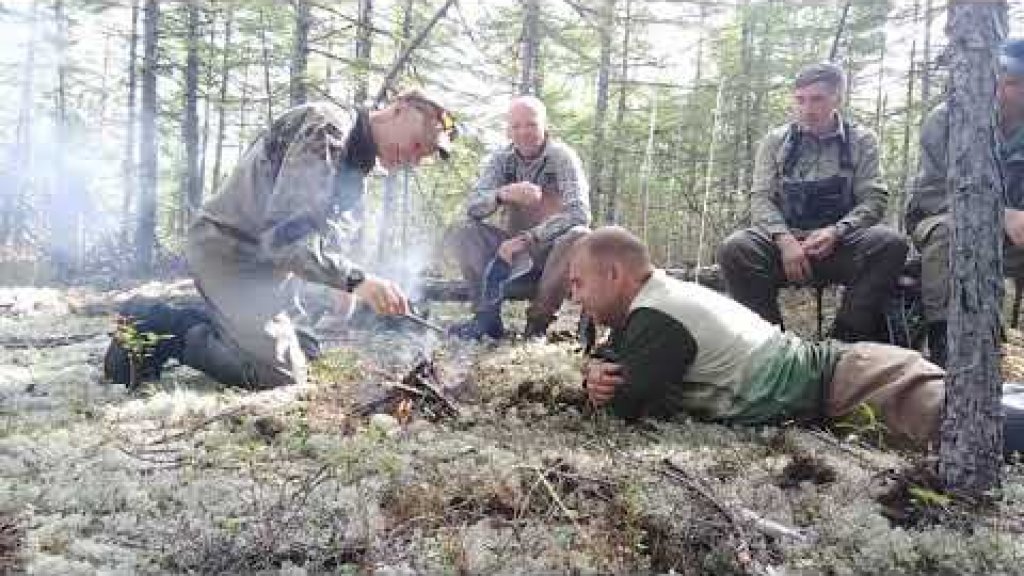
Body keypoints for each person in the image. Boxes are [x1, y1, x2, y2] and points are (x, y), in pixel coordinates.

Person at [105, 90, 458, 389]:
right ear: (399, 109)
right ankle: (160, 324)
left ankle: (225, 322)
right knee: (281, 375)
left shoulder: (358, 168)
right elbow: (285, 242)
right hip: (229, 251)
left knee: (308, 348)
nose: (412, 159)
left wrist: (345, 288)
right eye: (416, 144)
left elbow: (325, 245)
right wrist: (356, 281)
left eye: (421, 157)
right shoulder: (328, 127)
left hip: (264, 271)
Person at [572, 226, 1023, 455]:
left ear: (614, 274)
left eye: (578, 284)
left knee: (976, 424)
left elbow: (625, 404)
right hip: (841, 376)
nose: (576, 299)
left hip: (845, 385)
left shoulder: (656, 314)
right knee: (980, 406)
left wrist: (602, 383)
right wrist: (599, 366)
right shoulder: (657, 301)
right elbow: (619, 358)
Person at [718, 62, 908, 343]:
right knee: (736, 249)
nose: (807, 108)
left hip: (840, 245)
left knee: (891, 244)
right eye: (800, 100)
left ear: (837, 98)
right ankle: (768, 345)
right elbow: (760, 198)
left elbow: (874, 198)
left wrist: (837, 231)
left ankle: (843, 342)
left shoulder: (862, 140)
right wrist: (784, 240)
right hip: (786, 246)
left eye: (817, 99)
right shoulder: (775, 142)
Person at [905, 39, 1024, 368]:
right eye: (995, 79)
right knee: (952, 236)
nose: (999, 90)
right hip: (941, 218)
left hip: (1012, 240)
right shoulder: (946, 120)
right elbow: (930, 192)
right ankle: (949, 356)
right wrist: (999, 214)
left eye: (1013, 83)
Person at [445, 96, 591, 340]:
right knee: (463, 230)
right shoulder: (502, 159)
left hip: (552, 256)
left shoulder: (562, 157)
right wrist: (502, 194)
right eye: (516, 126)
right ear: (508, 130)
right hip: (512, 257)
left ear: (545, 125)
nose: (524, 132)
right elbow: (472, 207)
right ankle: (487, 318)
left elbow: (580, 212)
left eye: (531, 124)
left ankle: (537, 325)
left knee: (580, 236)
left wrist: (530, 237)